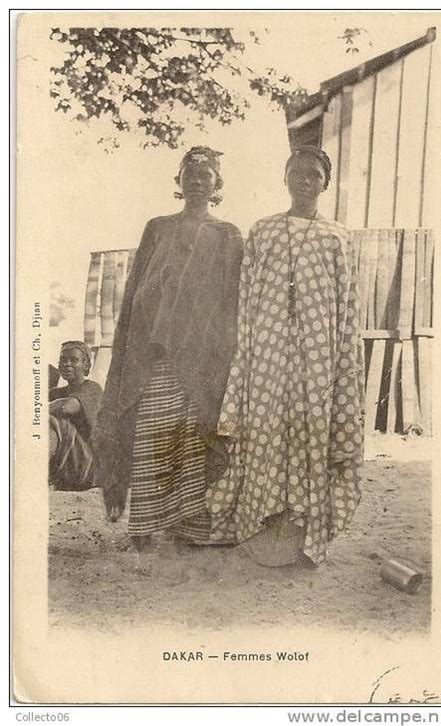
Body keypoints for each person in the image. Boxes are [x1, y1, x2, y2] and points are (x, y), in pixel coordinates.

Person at [206, 145, 365, 566]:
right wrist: (250, 350)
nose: (305, 181)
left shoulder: (338, 237)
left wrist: (340, 359)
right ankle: (261, 522)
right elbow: (246, 295)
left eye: (314, 175)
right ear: (286, 178)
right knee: (265, 428)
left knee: (310, 428)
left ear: (325, 183)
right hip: (268, 350)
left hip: (318, 353)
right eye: (298, 173)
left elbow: (348, 306)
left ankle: (304, 530)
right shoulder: (264, 230)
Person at [93, 146, 243, 553]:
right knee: (151, 430)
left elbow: (231, 298)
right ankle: (145, 522)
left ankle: (190, 527)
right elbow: (138, 287)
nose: (197, 181)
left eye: (206, 175)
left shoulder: (228, 234)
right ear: (178, 182)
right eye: (189, 175)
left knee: (194, 436)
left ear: (218, 185)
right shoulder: (156, 227)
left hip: (202, 355)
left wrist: (220, 349)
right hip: (154, 350)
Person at [49, 341, 103, 491]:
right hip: (66, 467)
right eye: (63, 360)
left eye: (74, 360)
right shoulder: (55, 393)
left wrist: (36, 409)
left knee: (53, 421)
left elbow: (67, 407)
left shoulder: (93, 389)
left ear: (86, 365)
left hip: (89, 466)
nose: (66, 364)